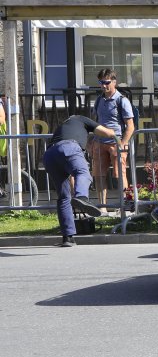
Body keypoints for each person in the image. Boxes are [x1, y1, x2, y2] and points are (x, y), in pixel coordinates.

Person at [44, 113, 112, 247]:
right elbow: (106, 133)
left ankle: (68, 237)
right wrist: (116, 135)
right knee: (83, 173)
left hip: (49, 155)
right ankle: (82, 197)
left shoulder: (63, 126)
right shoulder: (81, 119)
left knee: (64, 197)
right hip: (69, 147)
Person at [89, 69, 136, 206]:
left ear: (114, 82)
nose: (103, 85)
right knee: (99, 176)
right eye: (101, 82)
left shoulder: (122, 100)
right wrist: (91, 141)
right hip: (99, 142)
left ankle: (124, 206)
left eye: (106, 82)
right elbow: (94, 122)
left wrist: (122, 144)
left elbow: (130, 126)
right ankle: (102, 206)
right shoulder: (99, 100)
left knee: (119, 175)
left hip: (116, 143)